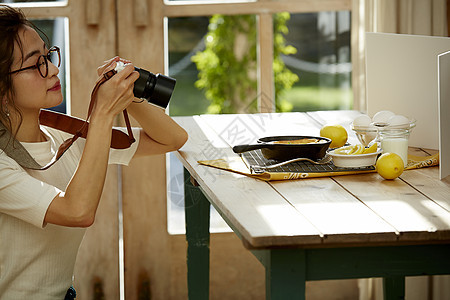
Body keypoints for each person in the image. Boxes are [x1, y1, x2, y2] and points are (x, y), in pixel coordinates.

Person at [0, 4, 188, 299]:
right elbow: (77, 211)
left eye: (48, 56)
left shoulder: (63, 137)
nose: (53, 68)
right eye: (36, 64)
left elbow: (172, 139)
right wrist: (103, 113)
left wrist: (127, 92)